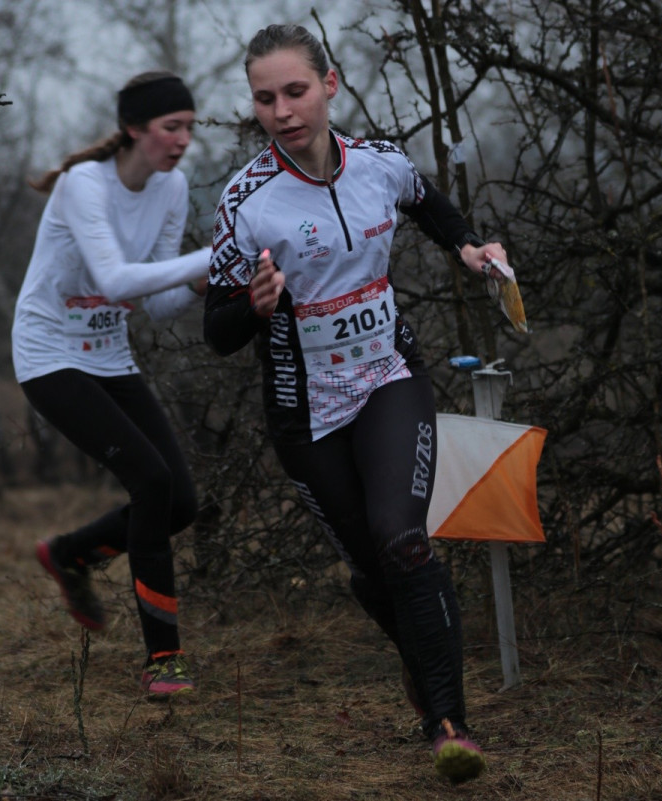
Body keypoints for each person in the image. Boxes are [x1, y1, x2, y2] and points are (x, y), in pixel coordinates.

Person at [204, 24, 511, 782]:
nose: (282, 110)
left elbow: (427, 200)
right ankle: (425, 673)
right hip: (303, 412)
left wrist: (470, 247)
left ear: (330, 84)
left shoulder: (378, 164)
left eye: (296, 91)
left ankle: (450, 725)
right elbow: (216, 330)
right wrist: (256, 303)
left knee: (403, 539)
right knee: (377, 571)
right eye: (265, 98)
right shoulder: (246, 201)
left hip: (386, 379)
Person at [12, 70, 209, 697]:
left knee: (180, 503)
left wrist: (206, 282)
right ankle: (164, 660)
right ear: (133, 129)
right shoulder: (82, 186)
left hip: (109, 356)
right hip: (48, 357)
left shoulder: (171, 186)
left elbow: (158, 303)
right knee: (149, 481)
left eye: (189, 128)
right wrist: (219, 253)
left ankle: (72, 552)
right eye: (169, 128)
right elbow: (119, 280)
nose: (181, 141)